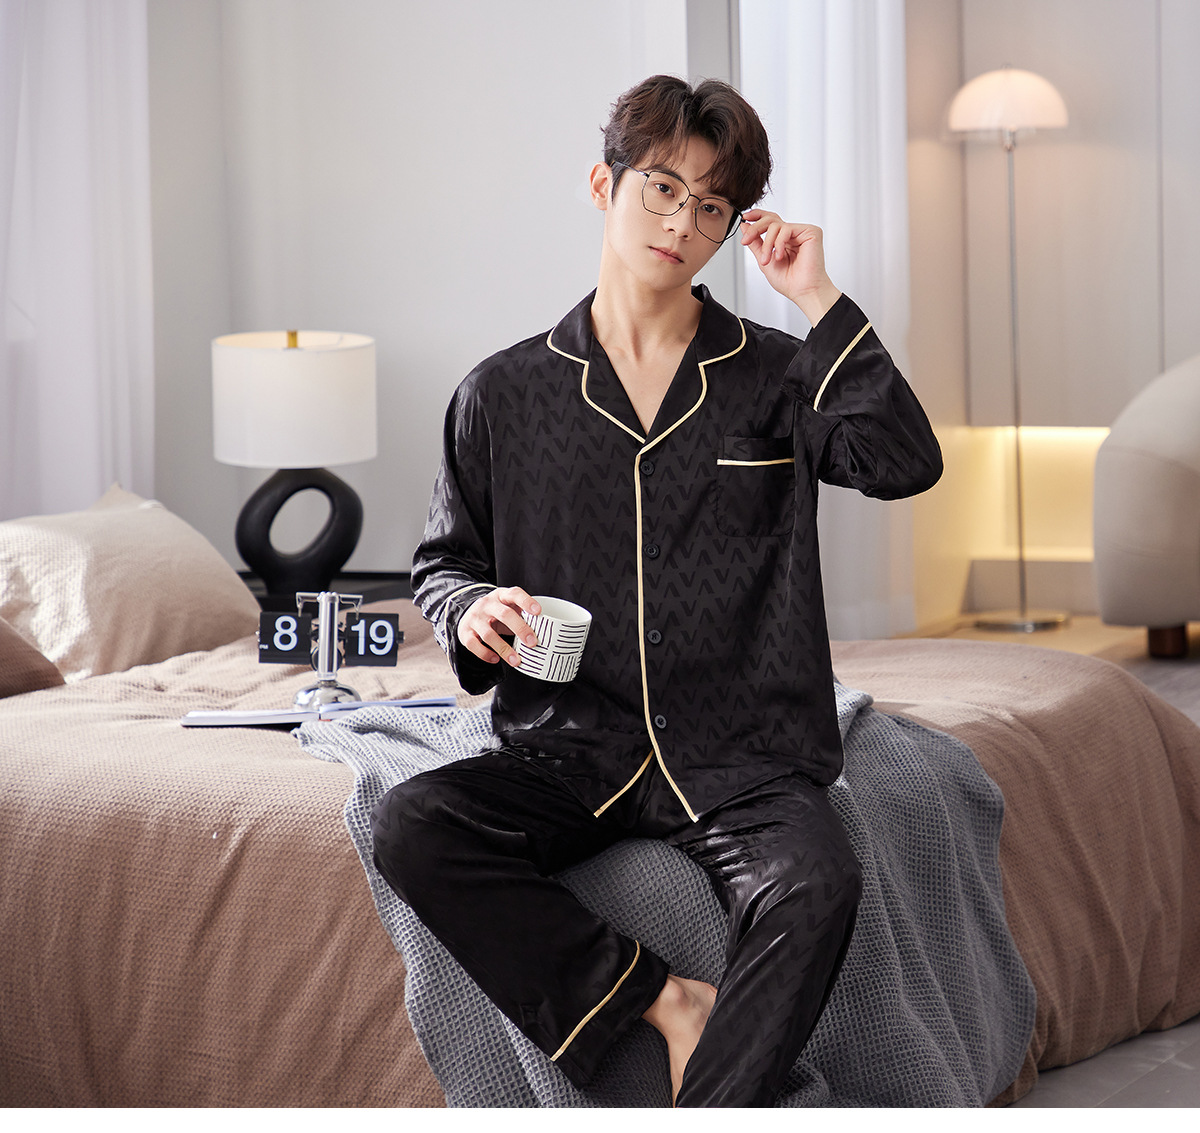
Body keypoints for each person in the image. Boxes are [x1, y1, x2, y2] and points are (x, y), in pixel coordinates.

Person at [371, 74, 943, 1107]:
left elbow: (904, 461)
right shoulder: (501, 393)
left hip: (744, 752)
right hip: (570, 744)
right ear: (605, 185)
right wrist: (472, 610)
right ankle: (669, 1002)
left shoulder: (776, 373)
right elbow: (444, 564)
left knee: (817, 878)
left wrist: (818, 298)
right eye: (663, 188)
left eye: (712, 205)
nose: (682, 222)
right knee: (413, 823)